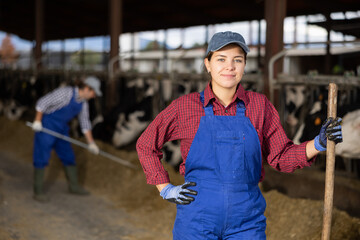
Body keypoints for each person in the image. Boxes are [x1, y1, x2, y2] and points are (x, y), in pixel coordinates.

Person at [136, 31, 343, 239]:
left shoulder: (259, 106)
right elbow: (146, 144)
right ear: (207, 64)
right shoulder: (185, 107)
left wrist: (318, 143)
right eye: (221, 59)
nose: (230, 66)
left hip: (246, 222)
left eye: (238, 59)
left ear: (244, 65)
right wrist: (165, 188)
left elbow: (281, 156)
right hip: (196, 220)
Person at [31, 76, 102, 202]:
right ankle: (38, 191)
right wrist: (37, 120)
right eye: (93, 92)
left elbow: (85, 122)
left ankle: (74, 186)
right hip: (47, 126)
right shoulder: (66, 93)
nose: (94, 96)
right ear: (86, 88)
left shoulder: (83, 103)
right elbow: (42, 103)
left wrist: (91, 143)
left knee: (68, 155)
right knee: (41, 156)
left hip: (62, 129)